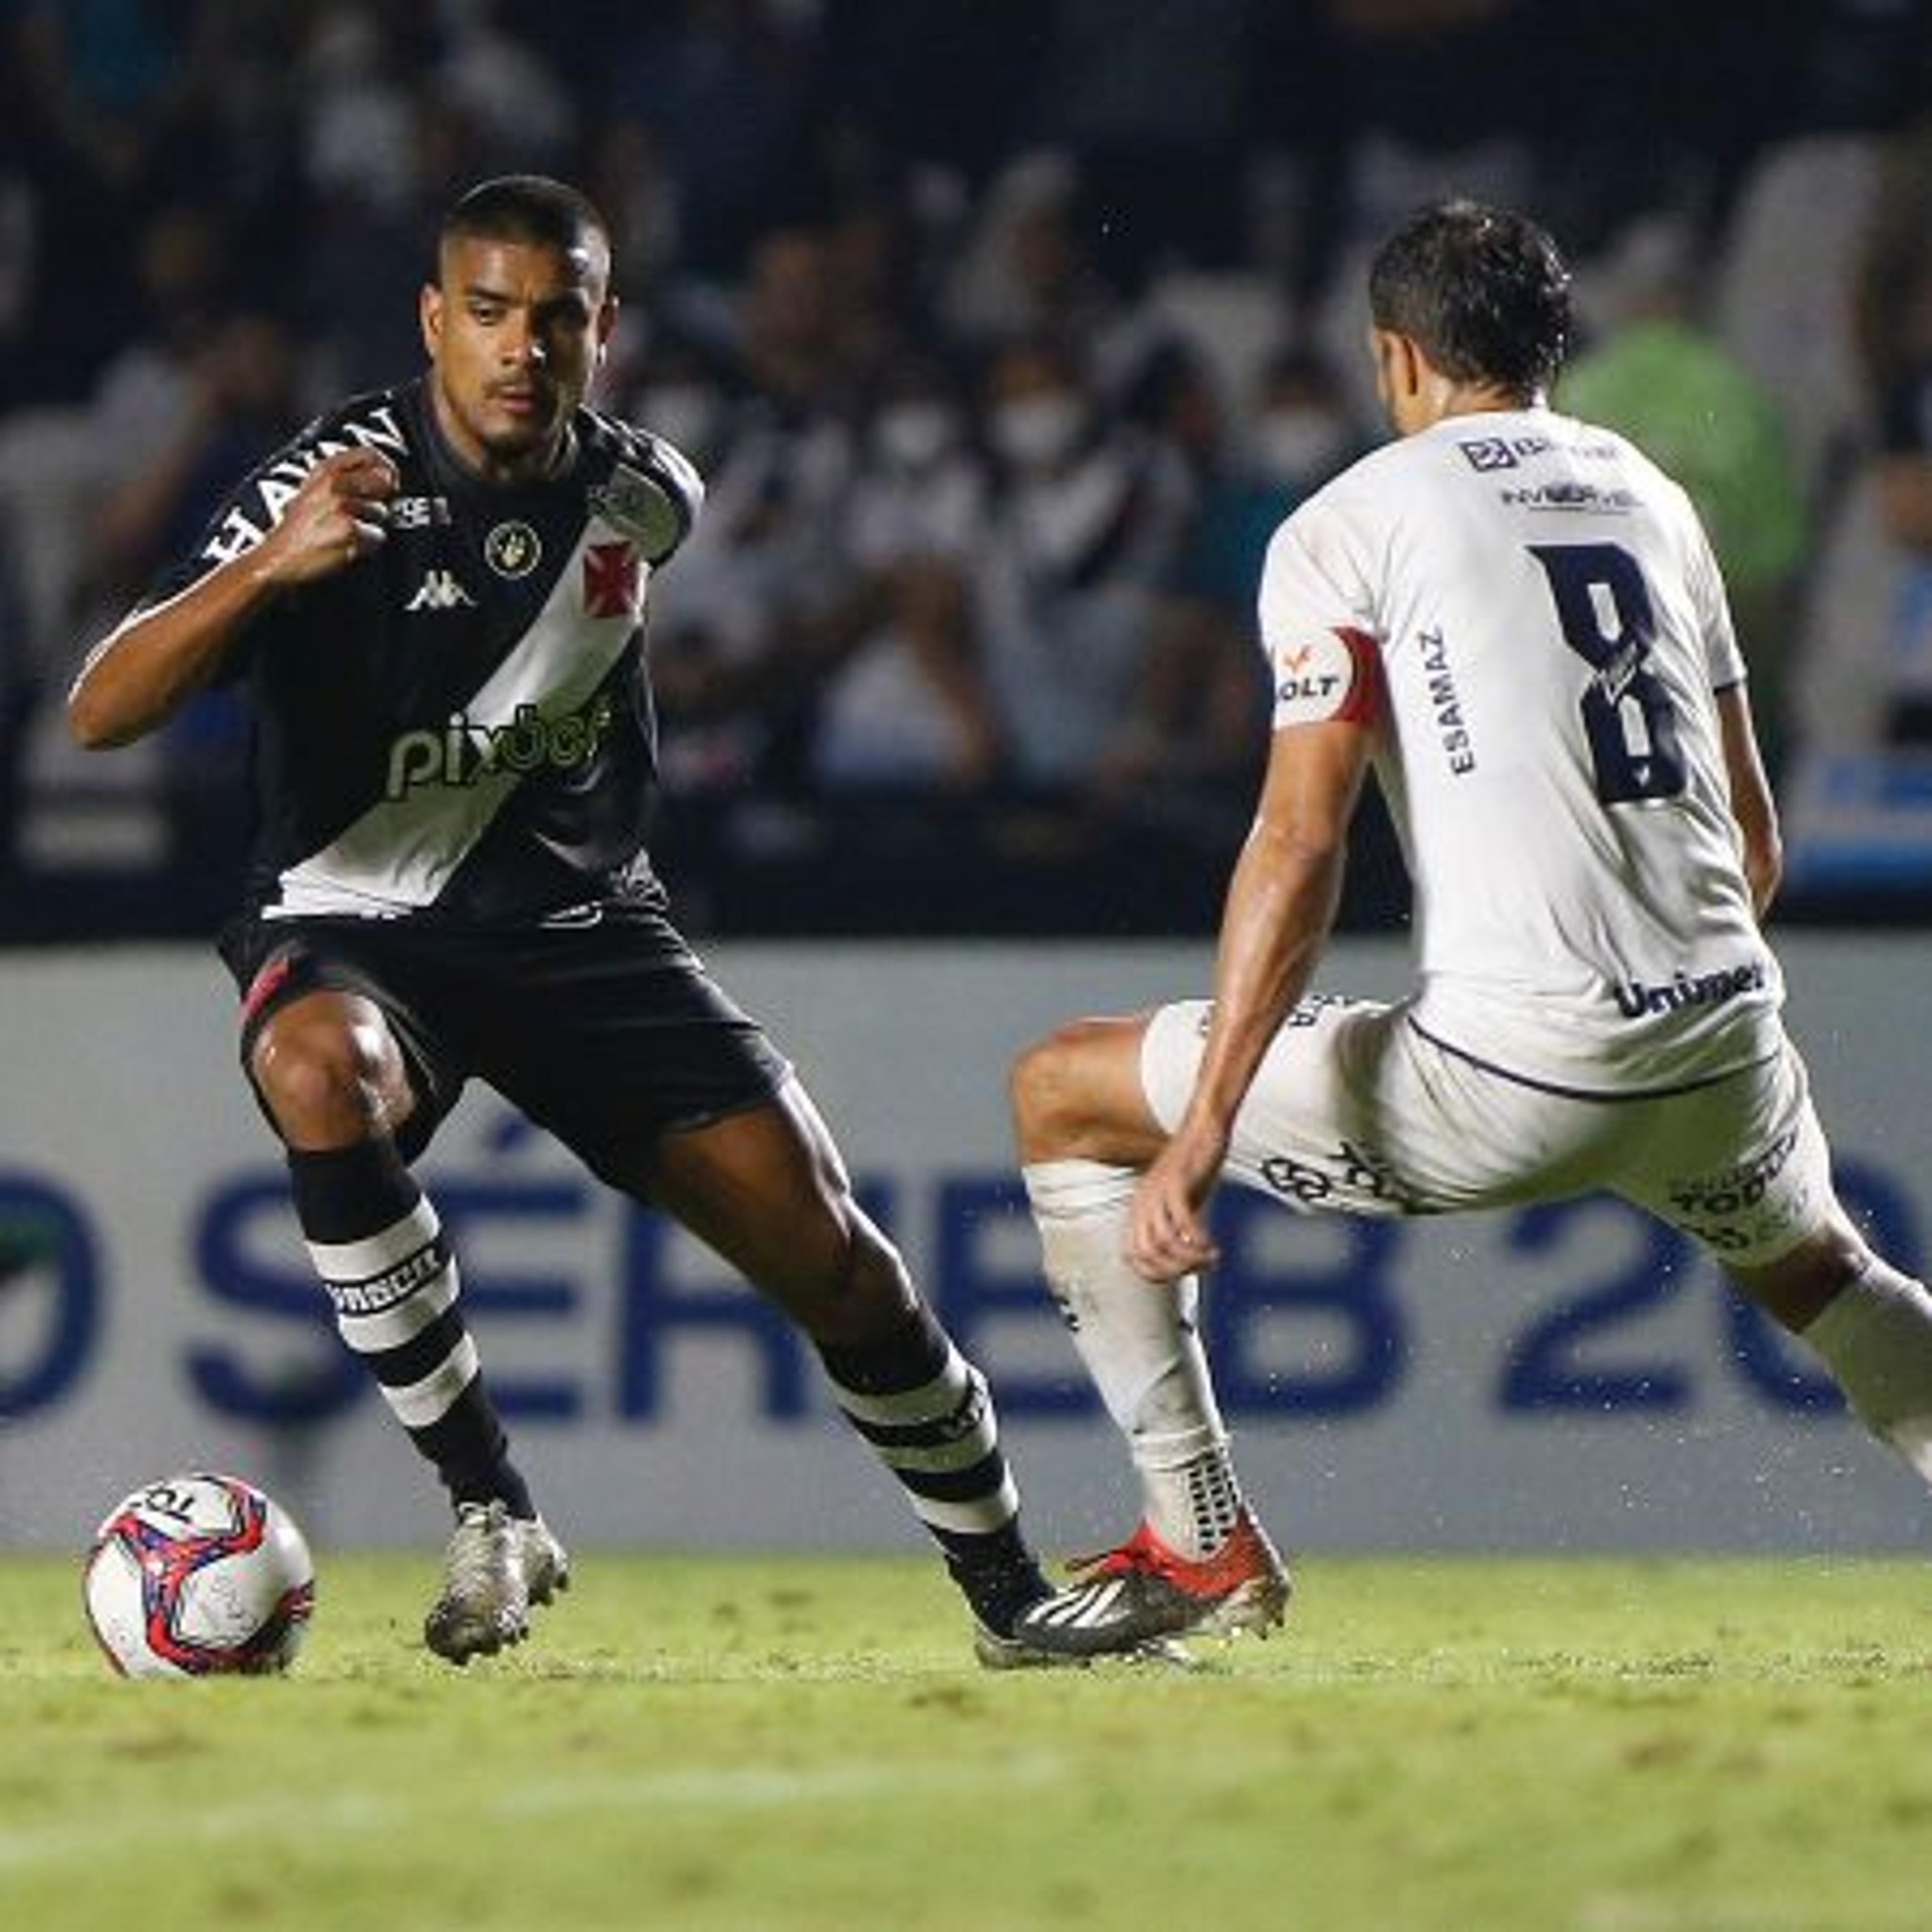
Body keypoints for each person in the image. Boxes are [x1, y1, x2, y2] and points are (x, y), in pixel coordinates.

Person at [66, 173, 1054, 1668]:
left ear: (604, 330)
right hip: (360, 919)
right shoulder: (328, 485)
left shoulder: (645, 495)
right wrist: (272, 572)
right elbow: (99, 709)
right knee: (319, 1069)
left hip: (581, 930)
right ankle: (492, 1505)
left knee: (834, 1259)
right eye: (487, 314)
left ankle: (1016, 1600)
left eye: (556, 317)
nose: (520, 347)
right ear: (432, 321)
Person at [1003, 199, 1932, 1661]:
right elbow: (1753, 838)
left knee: (1063, 1093)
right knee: (1824, 1277)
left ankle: (1200, 1544)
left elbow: (1301, 840)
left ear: (1395, 357)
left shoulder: (1351, 522)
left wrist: (1202, 1137)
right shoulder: (1651, 494)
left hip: (1515, 1070)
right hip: (1723, 1039)